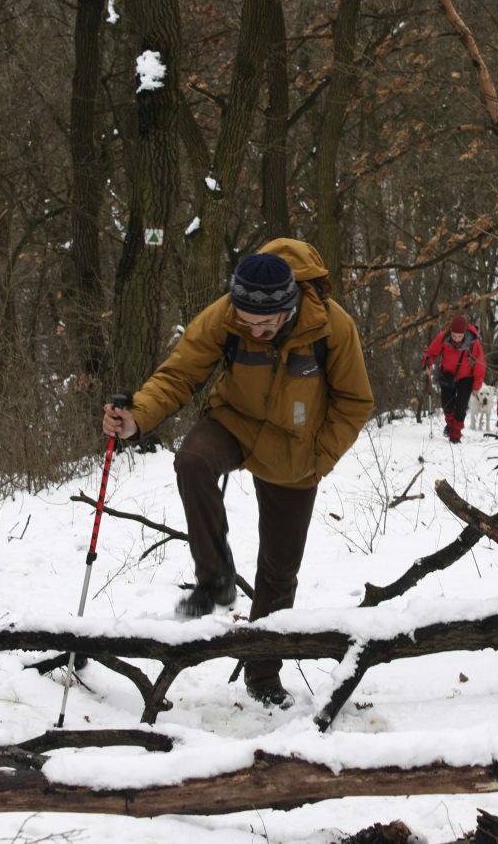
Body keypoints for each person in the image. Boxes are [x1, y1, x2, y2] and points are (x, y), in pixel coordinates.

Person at [103, 238, 373, 709]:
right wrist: (137, 418)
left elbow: (355, 401)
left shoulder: (331, 326)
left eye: (265, 323)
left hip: (295, 450)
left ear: (289, 307)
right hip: (235, 423)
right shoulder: (226, 314)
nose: (255, 331)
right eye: (247, 322)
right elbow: (179, 375)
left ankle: (262, 673)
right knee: (192, 460)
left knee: (278, 571)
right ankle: (215, 578)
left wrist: (319, 457)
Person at [422, 315, 486, 444]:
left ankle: (455, 435)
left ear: (464, 333)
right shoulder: (443, 337)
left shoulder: (473, 341)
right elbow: (431, 352)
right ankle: (451, 425)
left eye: (459, 336)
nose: (456, 339)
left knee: (461, 408)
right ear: (450, 332)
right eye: (454, 335)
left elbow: (480, 363)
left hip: (466, 378)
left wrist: (476, 385)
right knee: (447, 406)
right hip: (447, 375)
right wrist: (427, 364)